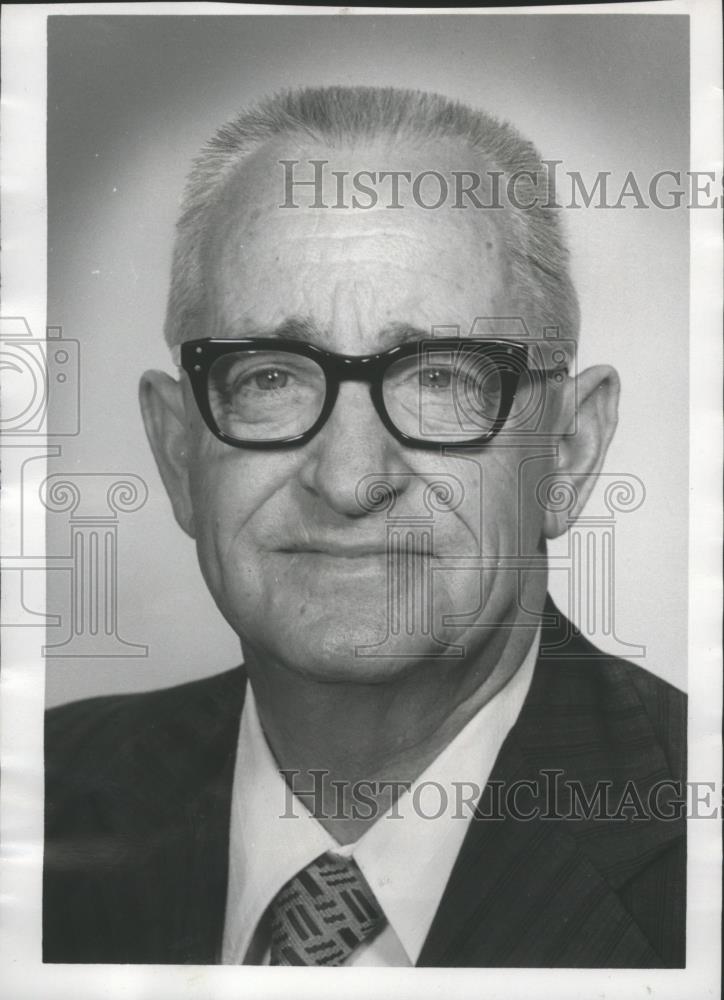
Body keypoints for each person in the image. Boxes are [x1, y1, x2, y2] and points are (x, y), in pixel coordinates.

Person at [43, 86, 686, 967]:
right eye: (271, 378)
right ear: (176, 450)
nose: (350, 480)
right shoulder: (38, 802)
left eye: (441, 378)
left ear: (567, 454)